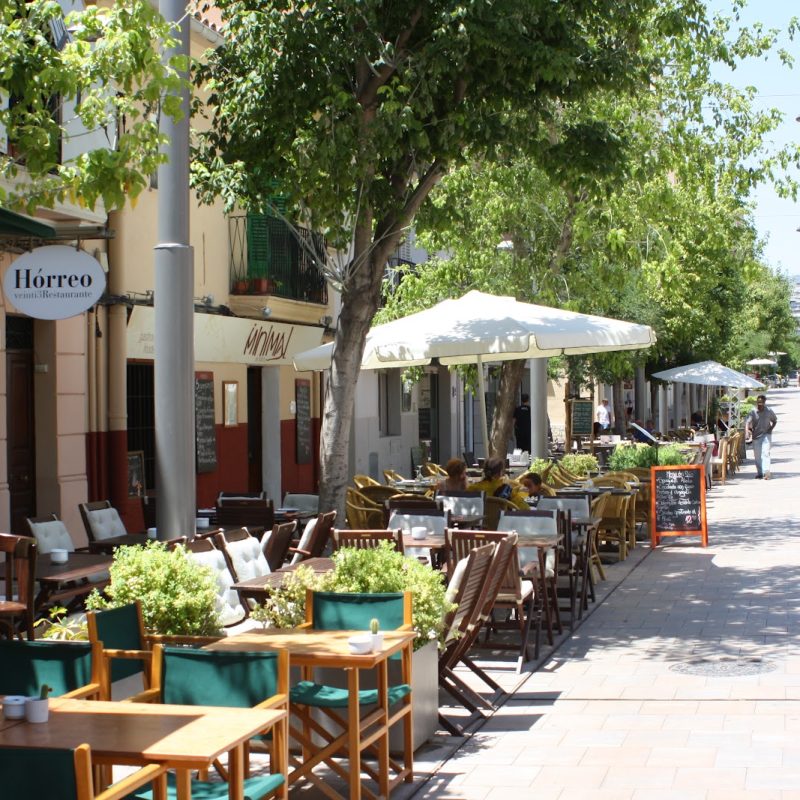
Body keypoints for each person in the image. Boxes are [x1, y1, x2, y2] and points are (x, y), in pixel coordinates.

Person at [745, 394, 777, 480]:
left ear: (764, 402)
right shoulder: (753, 411)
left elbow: (774, 420)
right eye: (758, 402)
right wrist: (747, 432)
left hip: (766, 435)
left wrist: (771, 429)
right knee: (757, 456)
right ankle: (760, 473)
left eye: (761, 402)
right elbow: (747, 422)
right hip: (756, 436)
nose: (760, 404)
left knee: (765, 453)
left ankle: (766, 472)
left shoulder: (769, 411)